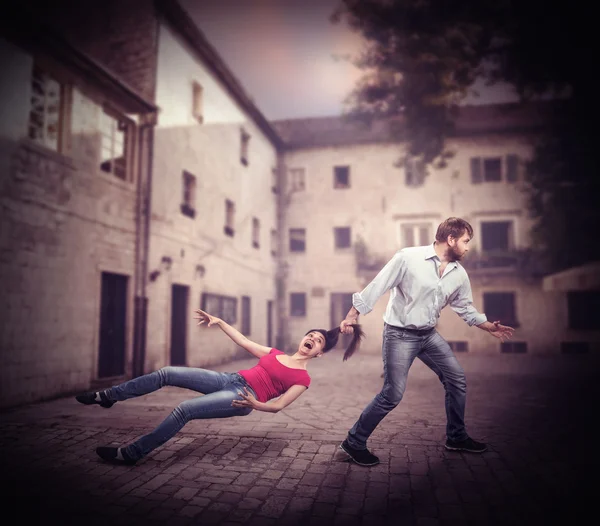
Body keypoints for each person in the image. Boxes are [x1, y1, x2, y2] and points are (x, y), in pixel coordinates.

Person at [75, 308, 365, 465]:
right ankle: (108, 396)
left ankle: (131, 453)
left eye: (318, 341)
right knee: (166, 373)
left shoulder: (303, 378)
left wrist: (255, 405)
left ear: (319, 353)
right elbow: (243, 341)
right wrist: (220, 321)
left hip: (242, 396)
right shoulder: (275, 353)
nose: (312, 339)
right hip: (229, 379)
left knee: (183, 410)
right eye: (311, 335)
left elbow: (278, 406)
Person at [338, 217, 514, 467]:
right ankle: (353, 443)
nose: (467, 247)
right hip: (399, 334)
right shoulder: (408, 258)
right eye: (465, 241)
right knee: (392, 394)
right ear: (450, 239)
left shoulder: (459, 274)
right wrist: (353, 314)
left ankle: (456, 437)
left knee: (456, 380)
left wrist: (486, 325)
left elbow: (463, 306)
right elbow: (378, 285)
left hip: (428, 335)